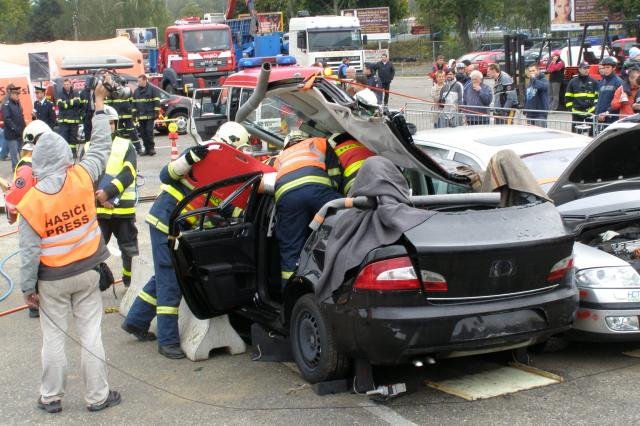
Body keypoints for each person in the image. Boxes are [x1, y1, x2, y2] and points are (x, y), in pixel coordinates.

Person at [16, 80, 121, 413]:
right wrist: (99, 106)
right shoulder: (81, 177)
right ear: (64, 154)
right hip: (89, 272)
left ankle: (51, 397)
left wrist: (27, 289)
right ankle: (98, 396)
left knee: (54, 338)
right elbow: (101, 146)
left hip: (52, 281)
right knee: (91, 334)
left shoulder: (31, 202)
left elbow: (30, 252)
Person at [122, 122, 250, 359]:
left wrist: (241, 215)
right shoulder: (200, 155)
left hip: (178, 228)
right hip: (166, 225)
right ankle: (167, 341)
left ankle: (136, 321)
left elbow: (215, 203)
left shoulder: (222, 168)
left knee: (162, 276)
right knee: (170, 280)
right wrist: (188, 159)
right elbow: (166, 175)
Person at [274, 130, 342, 287]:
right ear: (304, 138)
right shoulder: (320, 142)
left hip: (287, 197)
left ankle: (289, 297)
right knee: (347, 221)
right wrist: (332, 197)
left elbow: (270, 181)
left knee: (290, 250)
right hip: (317, 190)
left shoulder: (280, 157)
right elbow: (335, 173)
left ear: (286, 144)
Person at [93, 105, 139, 288]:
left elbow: (128, 173)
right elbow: (85, 177)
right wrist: (101, 198)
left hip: (122, 210)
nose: (109, 126)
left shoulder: (126, 145)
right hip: (99, 210)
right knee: (93, 251)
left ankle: (130, 283)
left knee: (129, 250)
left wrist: (108, 194)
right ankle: (96, 284)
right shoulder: (90, 147)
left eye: (112, 122)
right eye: (106, 123)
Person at [564, 61, 598, 134]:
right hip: (577, 112)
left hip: (590, 112)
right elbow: (568, 96)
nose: (587, 70)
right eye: (584, 68)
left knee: (592, 134)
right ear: (579, 69)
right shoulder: (573, 82)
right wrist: (570, 109)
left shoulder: (594, 82)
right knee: (576, 134)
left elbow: (597, 96)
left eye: (588, 68)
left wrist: (595, 107)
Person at [132, 74, 160, 156]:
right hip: (140, 116)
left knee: (149, 131)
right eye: (138, 81)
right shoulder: (136, 91)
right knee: (143, 133)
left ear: (145, 80)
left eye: (139, 81)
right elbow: (134, 104)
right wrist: (134, 114)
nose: (138, 83)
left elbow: (157, 101)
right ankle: (146, 149)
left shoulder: (152, 89)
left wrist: (156, 112)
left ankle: (151, 148)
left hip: (150, 115)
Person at [56, 78, 83, 158]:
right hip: (64, 120)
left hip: (74, 119)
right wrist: (71, 102)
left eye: (67, 84)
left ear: (71, 84)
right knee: (64, 137)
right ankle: (66, 153)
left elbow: (78, 102)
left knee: (73, 137)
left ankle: (73, 153)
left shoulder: (75, 92)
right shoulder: (60, 93)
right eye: (65, 84)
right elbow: (59, 104)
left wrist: (66, 103)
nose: (66, 86)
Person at [1, 83, 25, 169]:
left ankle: (23, 168)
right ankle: (15, 168)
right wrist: (15, 128)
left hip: (19, 132)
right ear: (11, 94)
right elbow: (7, 119)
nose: (17, 95)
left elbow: (21, 116)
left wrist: (23, 128)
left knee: (21, 151)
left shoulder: (17, 103)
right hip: (11, 134)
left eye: (18, 94)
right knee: (14, 153)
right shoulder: (6, 104)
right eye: (16, 94)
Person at [595, 57, 623, 126]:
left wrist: (607, 113)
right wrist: (597, 114)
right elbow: (600, 100)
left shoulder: (618, 82)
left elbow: (618, 102)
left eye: (608, 67)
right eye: (604, 68)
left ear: (614, 68)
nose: (605, 70)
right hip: (600, 118)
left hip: (611, 119)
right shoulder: (602, 82)